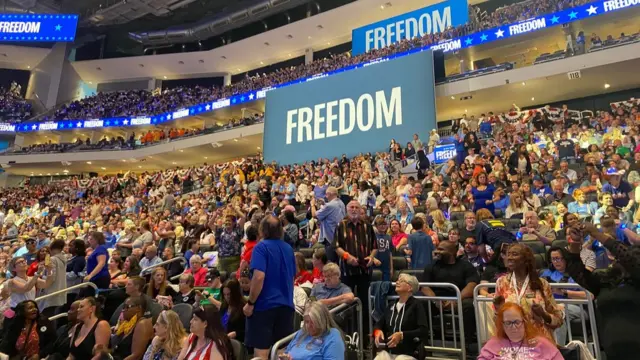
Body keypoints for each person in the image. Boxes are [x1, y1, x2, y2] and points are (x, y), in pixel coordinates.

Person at [564, 222, 640, 358]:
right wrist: (575, 243)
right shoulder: (606, 281)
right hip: (612, 348)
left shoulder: (636, 276)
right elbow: (577, 273)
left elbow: (629, 259)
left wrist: (597, 234)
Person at [244, 215, 296, 360]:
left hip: (264, 306)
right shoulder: (288, 248)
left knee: (261, 354)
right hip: (286, 305)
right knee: (282, 353)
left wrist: (250, 303)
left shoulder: (261, 247)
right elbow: (292, 278)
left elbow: (259, 277)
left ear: (262, 230)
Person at [494, 244, 564, 341]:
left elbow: (558, 319)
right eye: (508, 254)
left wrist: (543, 314)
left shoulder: (542, 284)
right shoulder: (502, 283)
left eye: (514, 254)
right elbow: (498, 321)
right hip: (513, 341)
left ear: (526, 260)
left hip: (540, 341)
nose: (509, 258)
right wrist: (498, 310)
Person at [333, 200, 377, 333]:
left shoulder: (367, 226)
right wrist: (347, 256)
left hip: (364, 271)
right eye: (351, 207)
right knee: (347, 305)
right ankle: (348, 334)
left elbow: (374, 247)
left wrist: (372, 256)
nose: (354, 209)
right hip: (347, 272)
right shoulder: (341, 225)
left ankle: (365, 334)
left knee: (365, 304)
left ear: (360, 210)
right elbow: (336, 246)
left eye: (356, 207)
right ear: (347, 209)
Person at [421, 241, 478, 341]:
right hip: (437, 300)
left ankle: (467, 343)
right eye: (437, 248)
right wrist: (435, 300)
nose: (437, 252)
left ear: (451, 252)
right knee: (421, 304)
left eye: (441, 250)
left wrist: (456, 300)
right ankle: (425, 343)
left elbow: (472, 285)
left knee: (469, 305)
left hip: (459, 299)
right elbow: (424, 286)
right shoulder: (431, 266)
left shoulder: (466, 266)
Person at [478, 303, 563, 360]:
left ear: (524, 321)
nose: (513, 327)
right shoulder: (493, 344)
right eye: (508, 323)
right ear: (502, 325)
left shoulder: (542, 343)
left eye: (517, 322)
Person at [373, 274, 427, 360]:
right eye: (397, 280)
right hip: (389, 352)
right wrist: (377, 332)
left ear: (410, 288)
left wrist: (402, 335)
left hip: (410, 353)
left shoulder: (417, 305)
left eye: (401, 281)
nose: (397, 282)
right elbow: (378, 324)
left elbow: (423, 330)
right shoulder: (391, 305)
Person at [540, 247, 587, 345]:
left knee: (558, 313)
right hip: (552, 306)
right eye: (553, 259)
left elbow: (588, 295)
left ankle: (558, 350)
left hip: (577, 307)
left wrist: (563, 292)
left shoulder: (578, 273)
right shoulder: (547, 273)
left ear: (565, 258)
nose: (556, 261)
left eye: (558, 258)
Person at [278, 303, 346, 360]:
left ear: (322, 321)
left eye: (313, 322)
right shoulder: (302, 332)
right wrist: (285, 357)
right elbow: (287, 352)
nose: (309, 326)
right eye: (307, 322)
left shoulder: (332, 335)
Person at [111, 296, 154, 360]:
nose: (123, 310)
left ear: (139, 308)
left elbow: (136, 356)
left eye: (127, 307)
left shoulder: (143, 324)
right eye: (123, 307)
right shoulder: (126, 324)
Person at [311, 186, 346, 263]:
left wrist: (312, 205)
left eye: (326, 194)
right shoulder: (341, 203)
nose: (325, 196)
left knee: (331, 262)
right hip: (340, 235)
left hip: (330, 237)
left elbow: (314, 214)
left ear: (330, 194)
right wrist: (324, 204)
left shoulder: (329, 205)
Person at [38, 239, 68, 312]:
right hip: (60, 290)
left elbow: (51, 276)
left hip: (51, 292)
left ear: (51, 249)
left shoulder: (51, 259)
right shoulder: (63, 258)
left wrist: (39, 277)